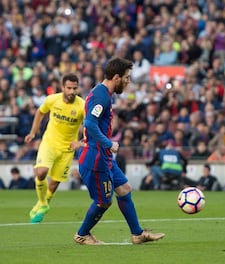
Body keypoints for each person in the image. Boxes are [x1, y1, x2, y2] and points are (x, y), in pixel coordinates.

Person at [74, 57, 164, 245]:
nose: (128, 81)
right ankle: (82, 234)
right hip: (95, 158)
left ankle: (137, 234)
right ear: (116, 77)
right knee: (104, 202)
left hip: (104, 157)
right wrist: (108, 142)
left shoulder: (105, 93)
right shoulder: (101, 96)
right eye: (127, 77)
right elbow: (89, 123)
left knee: (124, 189)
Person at [25, 73, 85, 223]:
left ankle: (41, 205)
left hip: (67, 149)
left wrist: (81, 142)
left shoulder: (82, 105)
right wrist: (33, 132)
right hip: (49, 143)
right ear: (62, 87)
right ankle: (44, 203)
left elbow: (91, 125)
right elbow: (40, 112)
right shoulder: (52, 99)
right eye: (69, 88)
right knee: (41, 172)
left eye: (75, 88)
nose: (72, 91)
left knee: (55, 182)